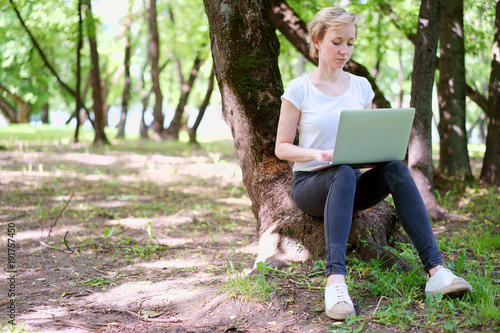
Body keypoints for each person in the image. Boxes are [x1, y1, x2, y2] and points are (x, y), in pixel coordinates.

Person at [274, 7, 472, 321]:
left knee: (396, 168)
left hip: (350, 183)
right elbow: (282, 148)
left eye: (350, 43)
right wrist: (318, 154)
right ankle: (336, 282)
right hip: (311, 184)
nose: (344, 50)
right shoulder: (300, 89)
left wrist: (380, 151)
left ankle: (436, 271)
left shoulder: (361, 86)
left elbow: (365, 141)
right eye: (337, 42)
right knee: (339, 170)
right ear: (317, 41)